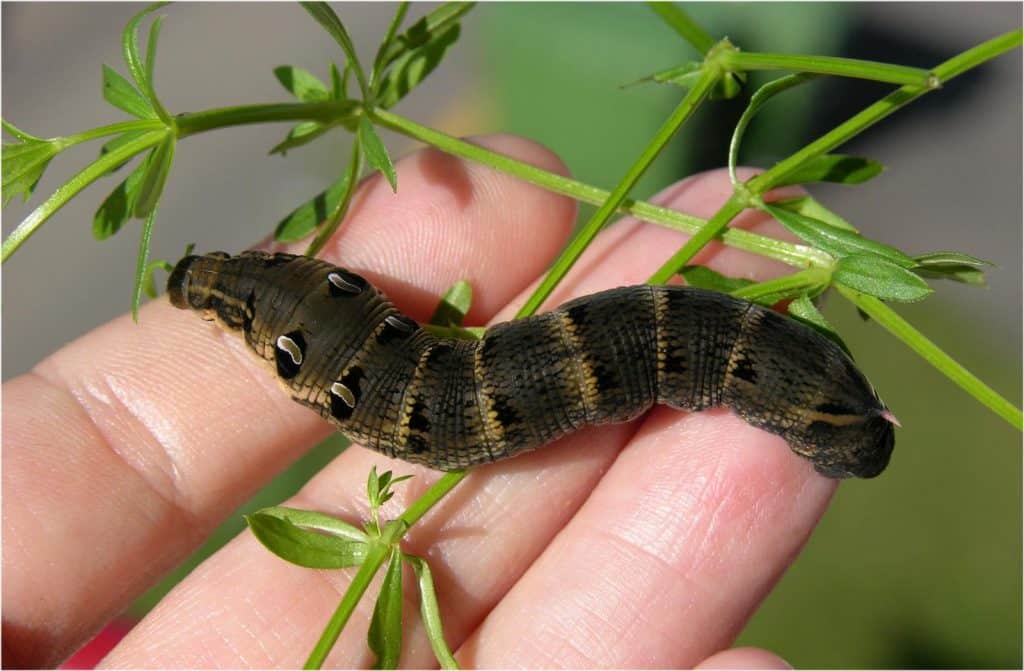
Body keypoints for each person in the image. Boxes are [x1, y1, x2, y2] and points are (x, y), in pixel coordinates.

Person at [3, 134, 828, 668]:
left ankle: (815, 398)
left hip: (472, 373)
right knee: (592, 355)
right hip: (450, 379)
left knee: (627, 347)